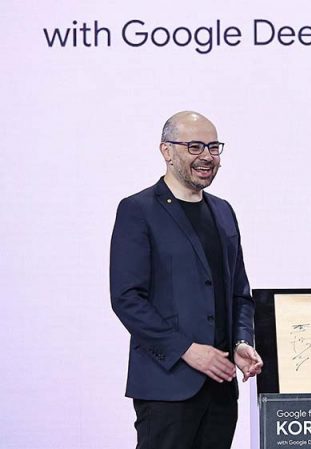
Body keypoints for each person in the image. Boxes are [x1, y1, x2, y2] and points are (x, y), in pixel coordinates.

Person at [110, 111, 263, 449]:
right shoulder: (138, 210)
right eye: (195, 146)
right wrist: (186, 350)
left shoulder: (224, 211)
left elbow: (239, 293)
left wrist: (241, 342)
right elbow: (127, 298)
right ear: (166, 151)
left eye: (213, 147)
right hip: (166, 389)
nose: (207, 156)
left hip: (220, 389)